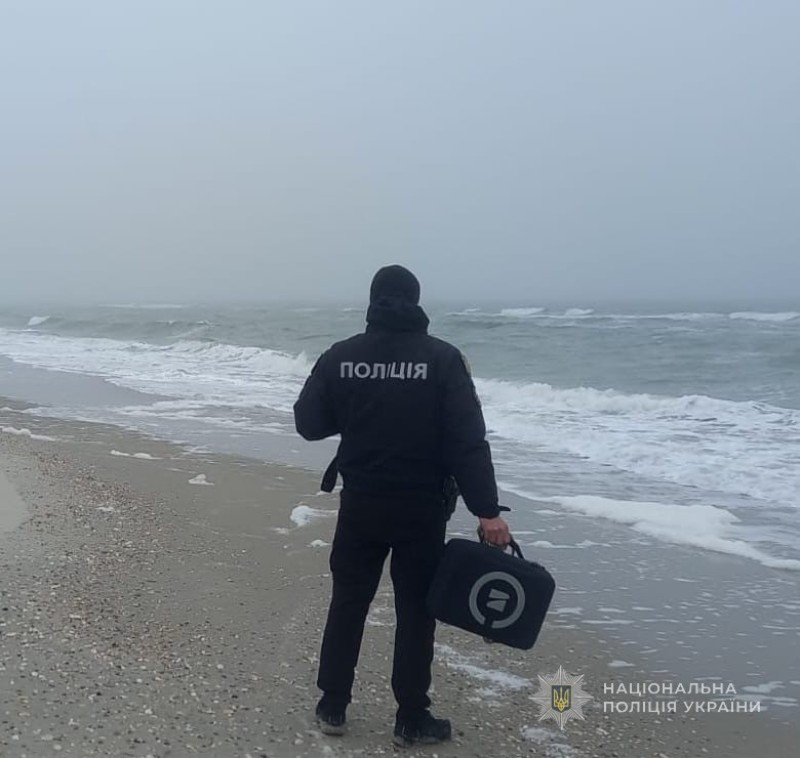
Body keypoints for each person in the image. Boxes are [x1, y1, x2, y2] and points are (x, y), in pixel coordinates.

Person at [293, 264, 510, 747]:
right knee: (416, 612)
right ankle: (411, 717)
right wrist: (487, 511)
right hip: (421, 510)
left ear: (373, 300)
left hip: (361, 504)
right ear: (415, 300)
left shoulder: (341, 356)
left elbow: (308, 423)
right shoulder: (443, 359)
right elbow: (467, 441)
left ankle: (332, 705)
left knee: (349, 601)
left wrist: (358, 406)